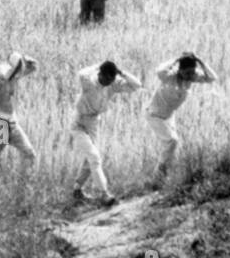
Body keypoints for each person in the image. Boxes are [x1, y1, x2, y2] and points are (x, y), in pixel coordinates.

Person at [72, 60, 142, 206]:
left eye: (111, 79)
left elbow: (136, 85)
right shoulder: (89, 83)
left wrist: (121, 73)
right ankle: (104, 194)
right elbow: (81, 73)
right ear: (100, 74)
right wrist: (97, 65)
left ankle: (77, 190)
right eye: (106, 78)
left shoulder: (112, 85)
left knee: (90, 158)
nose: (108, 82)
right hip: (78, 123)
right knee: (94, 157)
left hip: (94, 123)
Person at [146, 52, 217, 188]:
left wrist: (201, 61)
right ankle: (157, 178)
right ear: (180, 70)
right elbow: (159, 70)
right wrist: (176, 59)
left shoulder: (192, 78)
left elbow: (212, 78)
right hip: (154, 115)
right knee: (172, 141)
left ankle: (161, 179)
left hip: (168, 116)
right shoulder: (169, 76)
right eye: (187, 73)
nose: (190, 76)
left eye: (192, 73)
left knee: (171, 147)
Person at [0, 51, 39, 179]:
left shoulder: (14, 74)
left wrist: (27, 61)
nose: (19, 74)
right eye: (18, 70)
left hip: (12, 123)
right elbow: (6, 75)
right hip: (0, 124)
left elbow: (34, 67)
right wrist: (18, 66)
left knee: (29, 154)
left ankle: (22, 185)